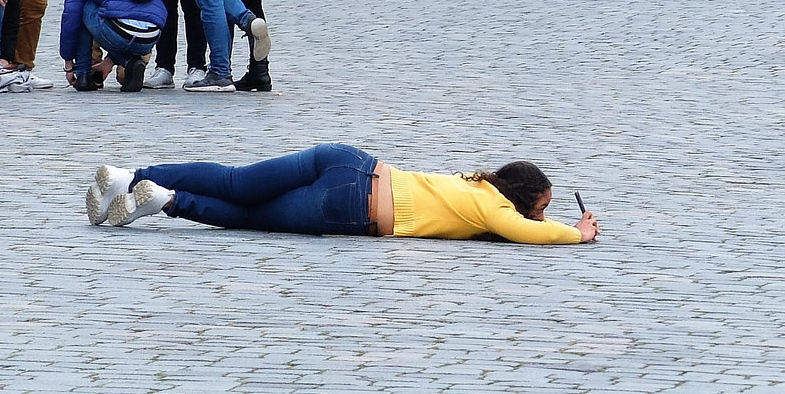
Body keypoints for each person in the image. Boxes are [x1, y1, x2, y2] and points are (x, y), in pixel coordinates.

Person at [83, 145, 601, 244]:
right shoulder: (495, 209)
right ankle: (167, 202)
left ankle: (130, 174)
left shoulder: (477, 185)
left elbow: (519, 224)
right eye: (544, 206)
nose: (542, 215)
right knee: (249, 216)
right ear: (526, 196)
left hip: (350, 160)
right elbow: (521, 231)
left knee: (237, 179)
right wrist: (576, 234)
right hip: (353, 207)